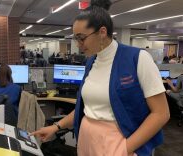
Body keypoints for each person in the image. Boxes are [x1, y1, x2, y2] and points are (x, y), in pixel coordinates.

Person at [30, 0, 170, 156]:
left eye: (81, 38)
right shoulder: (91, 62)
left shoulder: (137, 58)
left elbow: (161, 113)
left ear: (102, 32)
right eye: (76, 38)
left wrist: (125, 148)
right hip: (88, 141)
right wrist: (56, 127)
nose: (78, 45)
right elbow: (86, 109)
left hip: (119, 144)